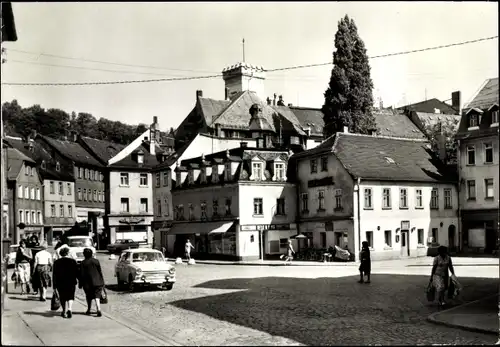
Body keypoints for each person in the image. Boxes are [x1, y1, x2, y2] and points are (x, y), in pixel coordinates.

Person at [53, 246, 79, 318]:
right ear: (67, 253)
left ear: (61, 254)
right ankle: (70, 309)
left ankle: (64, 311)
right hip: (71, 281)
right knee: (70, 296)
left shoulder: (56, 262)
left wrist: (54, 285)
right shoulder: (73, 261)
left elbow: (54, 274)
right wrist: (78, 280)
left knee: (62, 297)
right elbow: (77, 272)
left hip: (60, 282)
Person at [79, 248, 105, 317]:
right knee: (97, 296)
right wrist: (102, 281)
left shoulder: (83, 263)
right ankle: (98, 309)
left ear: (84, 254)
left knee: (89, 296)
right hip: (98, 282)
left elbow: (81, 274)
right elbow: (100, 271)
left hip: (88, 283)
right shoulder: (96, 261)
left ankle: (89, 309)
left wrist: (80, 284)